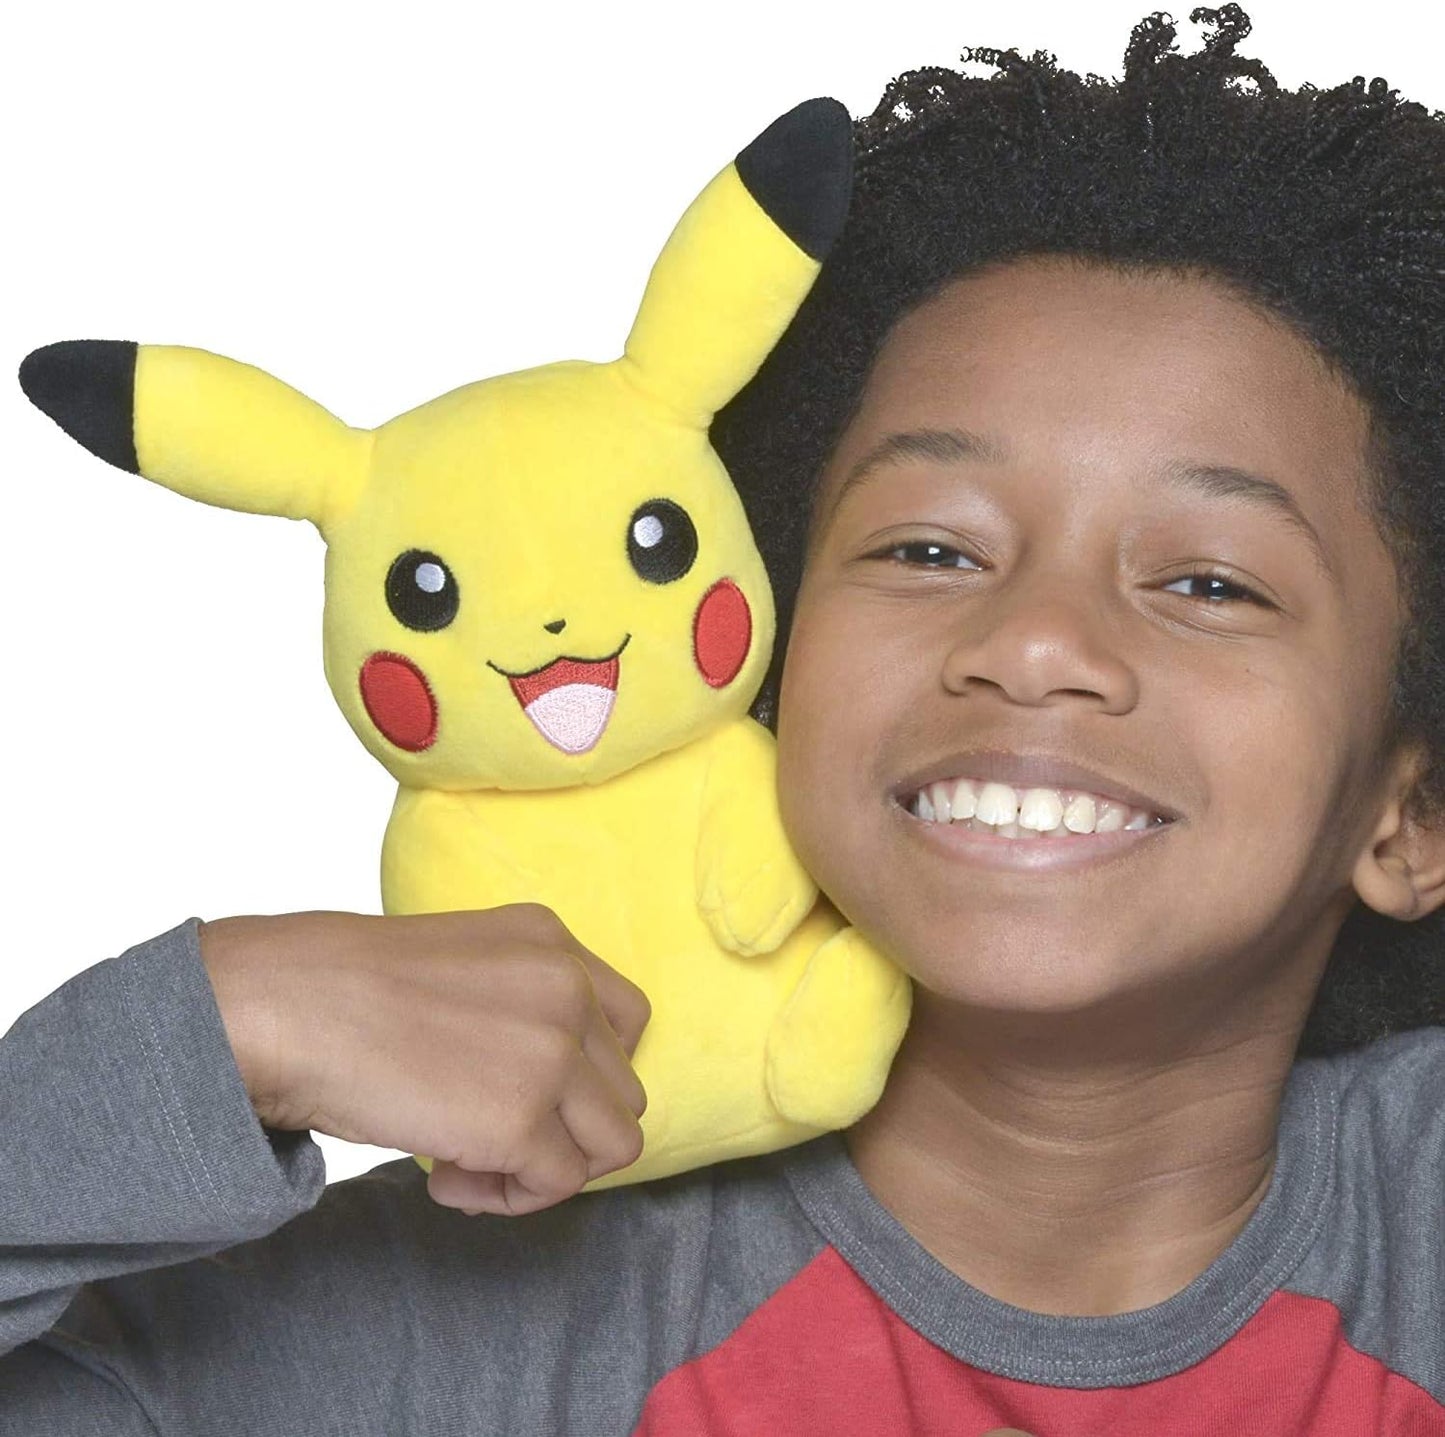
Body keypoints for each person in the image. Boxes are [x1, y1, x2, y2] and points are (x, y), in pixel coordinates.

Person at [3, 6, 1442, 1432]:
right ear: (767, 654)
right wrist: (220, 1022)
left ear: (1411, 813)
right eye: (929, 549)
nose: (1034, 639)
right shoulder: (409, 1340)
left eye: (1206, 579)